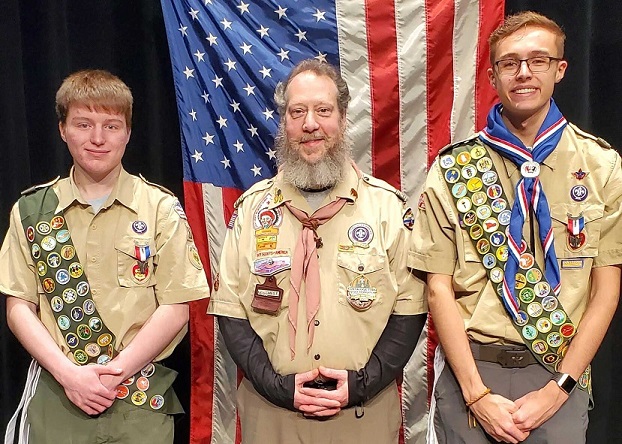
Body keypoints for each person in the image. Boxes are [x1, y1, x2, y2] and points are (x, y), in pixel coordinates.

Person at [409, 11, 622, 444]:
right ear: (492, 74)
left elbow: (607, 290)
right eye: (509, 63)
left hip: (557, 371)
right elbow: (438, 288)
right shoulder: (455, 167)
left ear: (560, 70)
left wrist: (557, 389)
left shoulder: (601, 165)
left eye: (538, 60)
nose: (523, 73)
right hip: (472, 374)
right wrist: (476, 394)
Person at [208, 59, 427, 443]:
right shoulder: (251, 211)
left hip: (363, 416)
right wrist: (280, 387)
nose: (310, 124)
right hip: (271, 415)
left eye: (323, 110)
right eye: (298, 112)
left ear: (342, 119)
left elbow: (408, 314)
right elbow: (232, 317)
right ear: (284, 124)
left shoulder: (388, 209)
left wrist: (359, 385)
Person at [0, 69, 209, 443]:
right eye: (83, 123)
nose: (98, 138)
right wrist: (70, 375)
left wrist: (114, 373)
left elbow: (177, 306)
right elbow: (18, 306)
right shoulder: (32, 210)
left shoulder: (159, 208)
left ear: (128, 132)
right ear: (63, 129)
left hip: (138, 397)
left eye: (111, 126)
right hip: (58, 395)